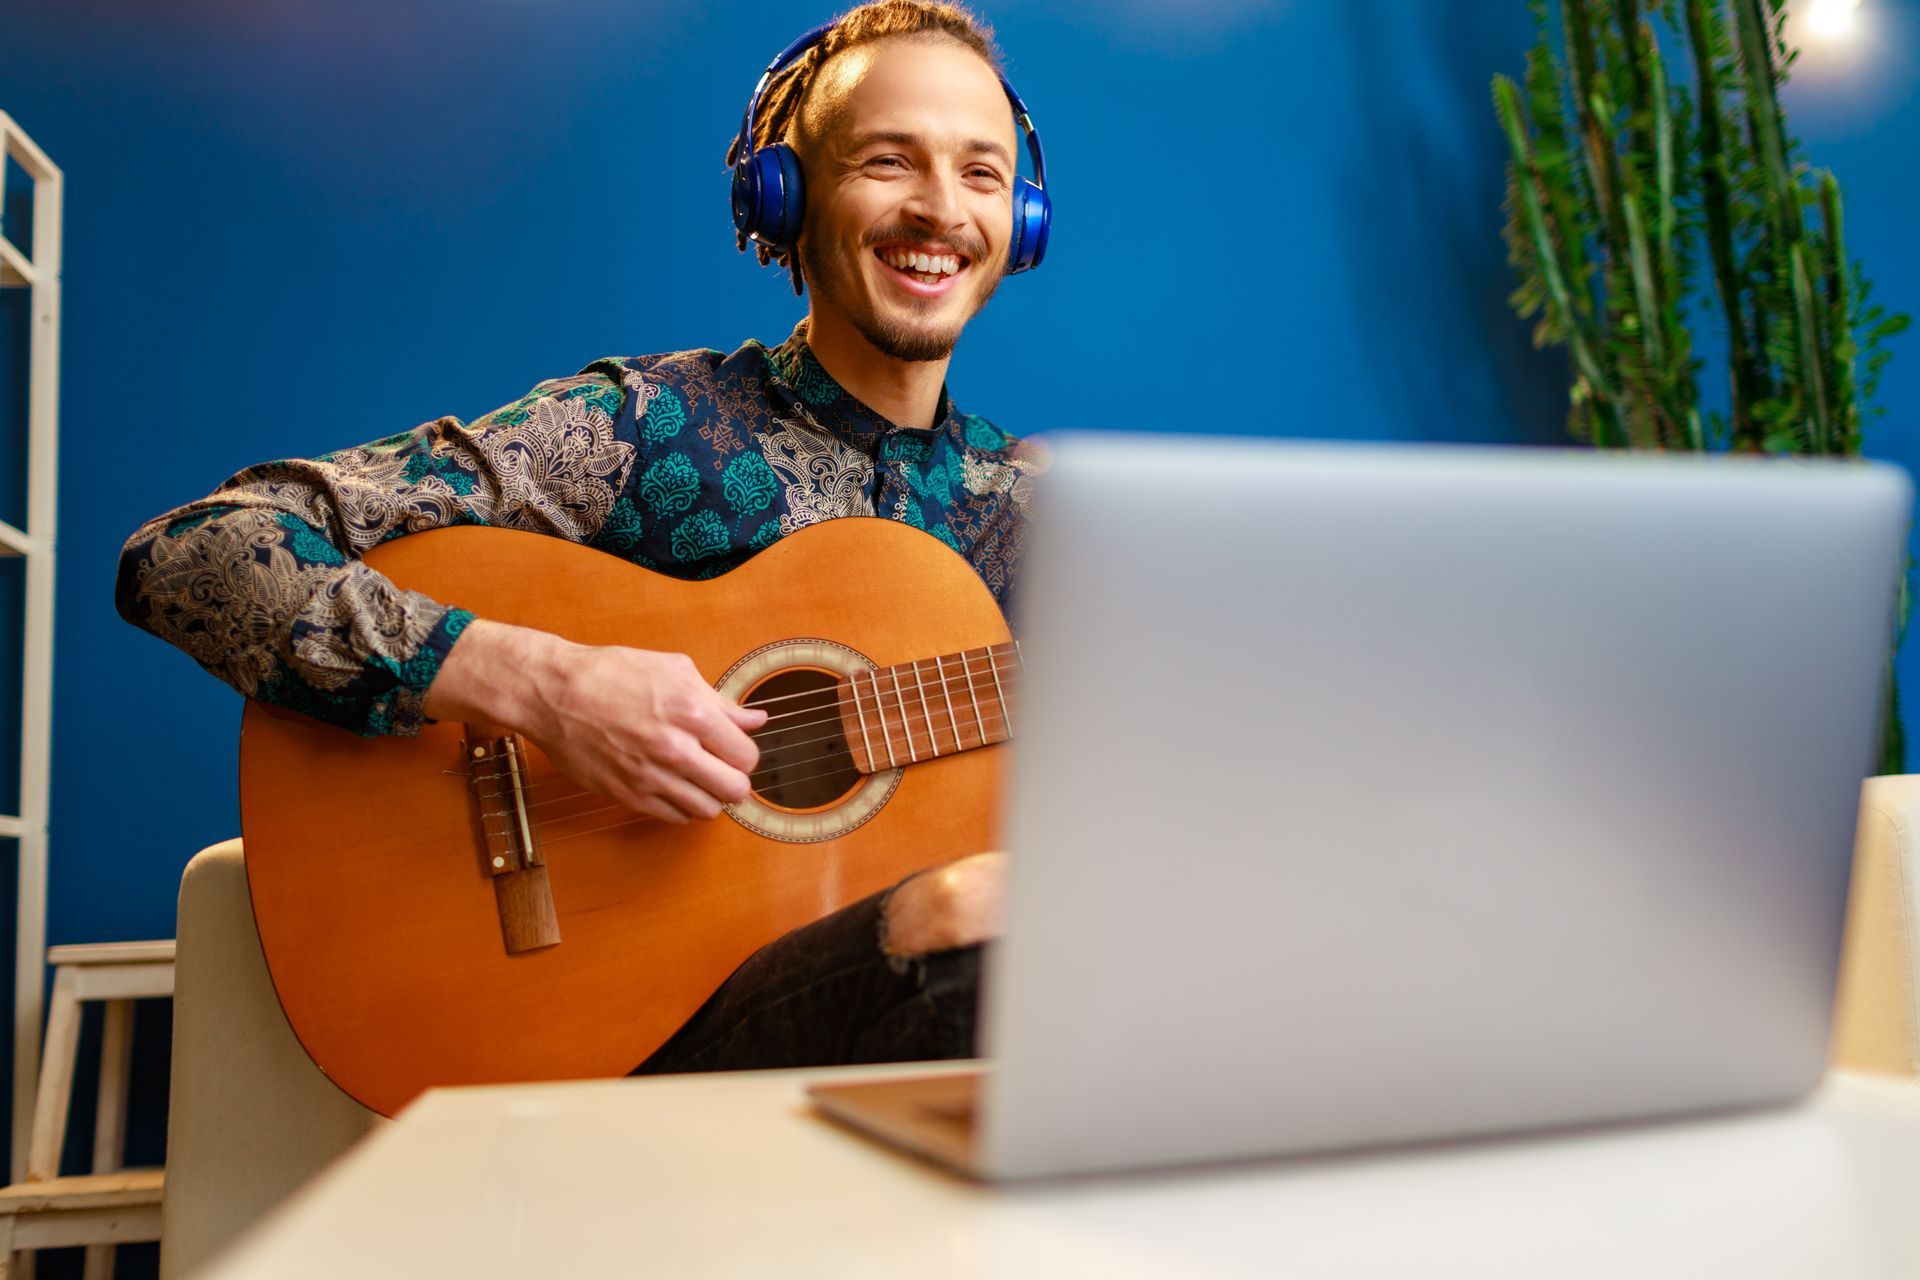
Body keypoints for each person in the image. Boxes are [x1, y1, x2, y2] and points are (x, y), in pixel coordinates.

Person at [114, 0, 1047, 1073]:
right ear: (781, 197)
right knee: (978, 920)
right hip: (632, 1041)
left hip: (930, 1053)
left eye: (980, 174)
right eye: (890, 161)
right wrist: (547, 686)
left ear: (1022, 220)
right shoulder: (645, 427)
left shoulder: (1026, 515)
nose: (939, 210)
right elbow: (191, 554)